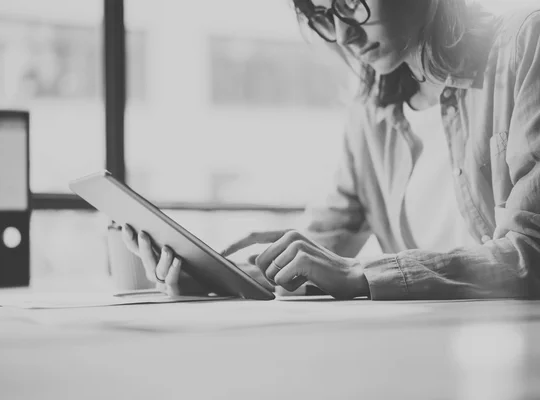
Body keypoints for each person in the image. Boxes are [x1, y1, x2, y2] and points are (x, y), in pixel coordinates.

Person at [122, 0, 540, 300]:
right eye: (325, 15)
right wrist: (219, 276)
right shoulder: (371, 114)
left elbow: (531, 254)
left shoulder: (526, 44)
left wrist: (362, 273)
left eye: (352, 4)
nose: (343, 34)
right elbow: (321, 247)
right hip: (425, 349)